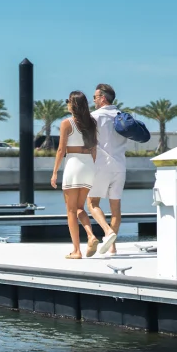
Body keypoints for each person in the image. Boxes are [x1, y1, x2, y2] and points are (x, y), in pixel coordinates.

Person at [51, 90, 100, 259]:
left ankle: (77, 251)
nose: (66, 104)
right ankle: (91, 235)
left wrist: (55, 172)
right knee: (80, 208)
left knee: (71, 211)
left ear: (73, 104)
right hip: (88, 166)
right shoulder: (92, 123)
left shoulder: (67, 123)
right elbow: (94, 149)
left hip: (73, 165)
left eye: (68, 101)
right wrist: (93, 169)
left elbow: (60, 150)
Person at [88, 83, 127, 255]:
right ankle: (112, 247)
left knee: (92, 202)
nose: (94, 100)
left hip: (100, 166)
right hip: (120, 166)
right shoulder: (123, 116)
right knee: (116, 208)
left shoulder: (94, 117)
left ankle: (107, 231)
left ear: (103, 98)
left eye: (95, 97)